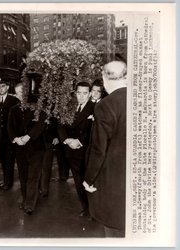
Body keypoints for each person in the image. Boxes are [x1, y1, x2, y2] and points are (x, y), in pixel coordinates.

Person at [83, 61, 127, 237]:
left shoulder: (105, 105)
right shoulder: (145, 98)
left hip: (112, 181)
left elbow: (98, 149)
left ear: (104, 78)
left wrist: (89, 179)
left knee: (114, 233)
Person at [57, 81, 95, 218]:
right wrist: (67, 140)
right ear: (75, 93)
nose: (81, 96)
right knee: (78, 182)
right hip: (71, 150)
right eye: (79, 93)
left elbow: (93, 130)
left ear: (90, 94)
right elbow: (61, 125)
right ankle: (86, 208)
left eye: (85, 93)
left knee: (89, 181)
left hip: (86, 151)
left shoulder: (95, 107)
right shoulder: (70, 107)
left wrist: (78, 141)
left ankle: (93, 209)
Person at [8, 85, 46, 215]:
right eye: (17, 93)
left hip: (36, 148)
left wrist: (27, 137)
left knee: (33, 177)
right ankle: (25, 200)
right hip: (20, 148)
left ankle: (30, 204)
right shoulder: (13, 110)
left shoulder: (38, 107)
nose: (20, 95)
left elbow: (40, 124)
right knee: (23, 176)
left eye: (22, 92)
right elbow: (9, 127)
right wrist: (15, 139)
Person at [0, 79, 20, 190]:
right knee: (2, 159)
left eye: (3, 86)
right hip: (0, 136)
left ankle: (8, 182)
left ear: (7, 87)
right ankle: (6, 180)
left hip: (10, 135)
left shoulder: (14, 100)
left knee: (9, 159)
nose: (1, 88)